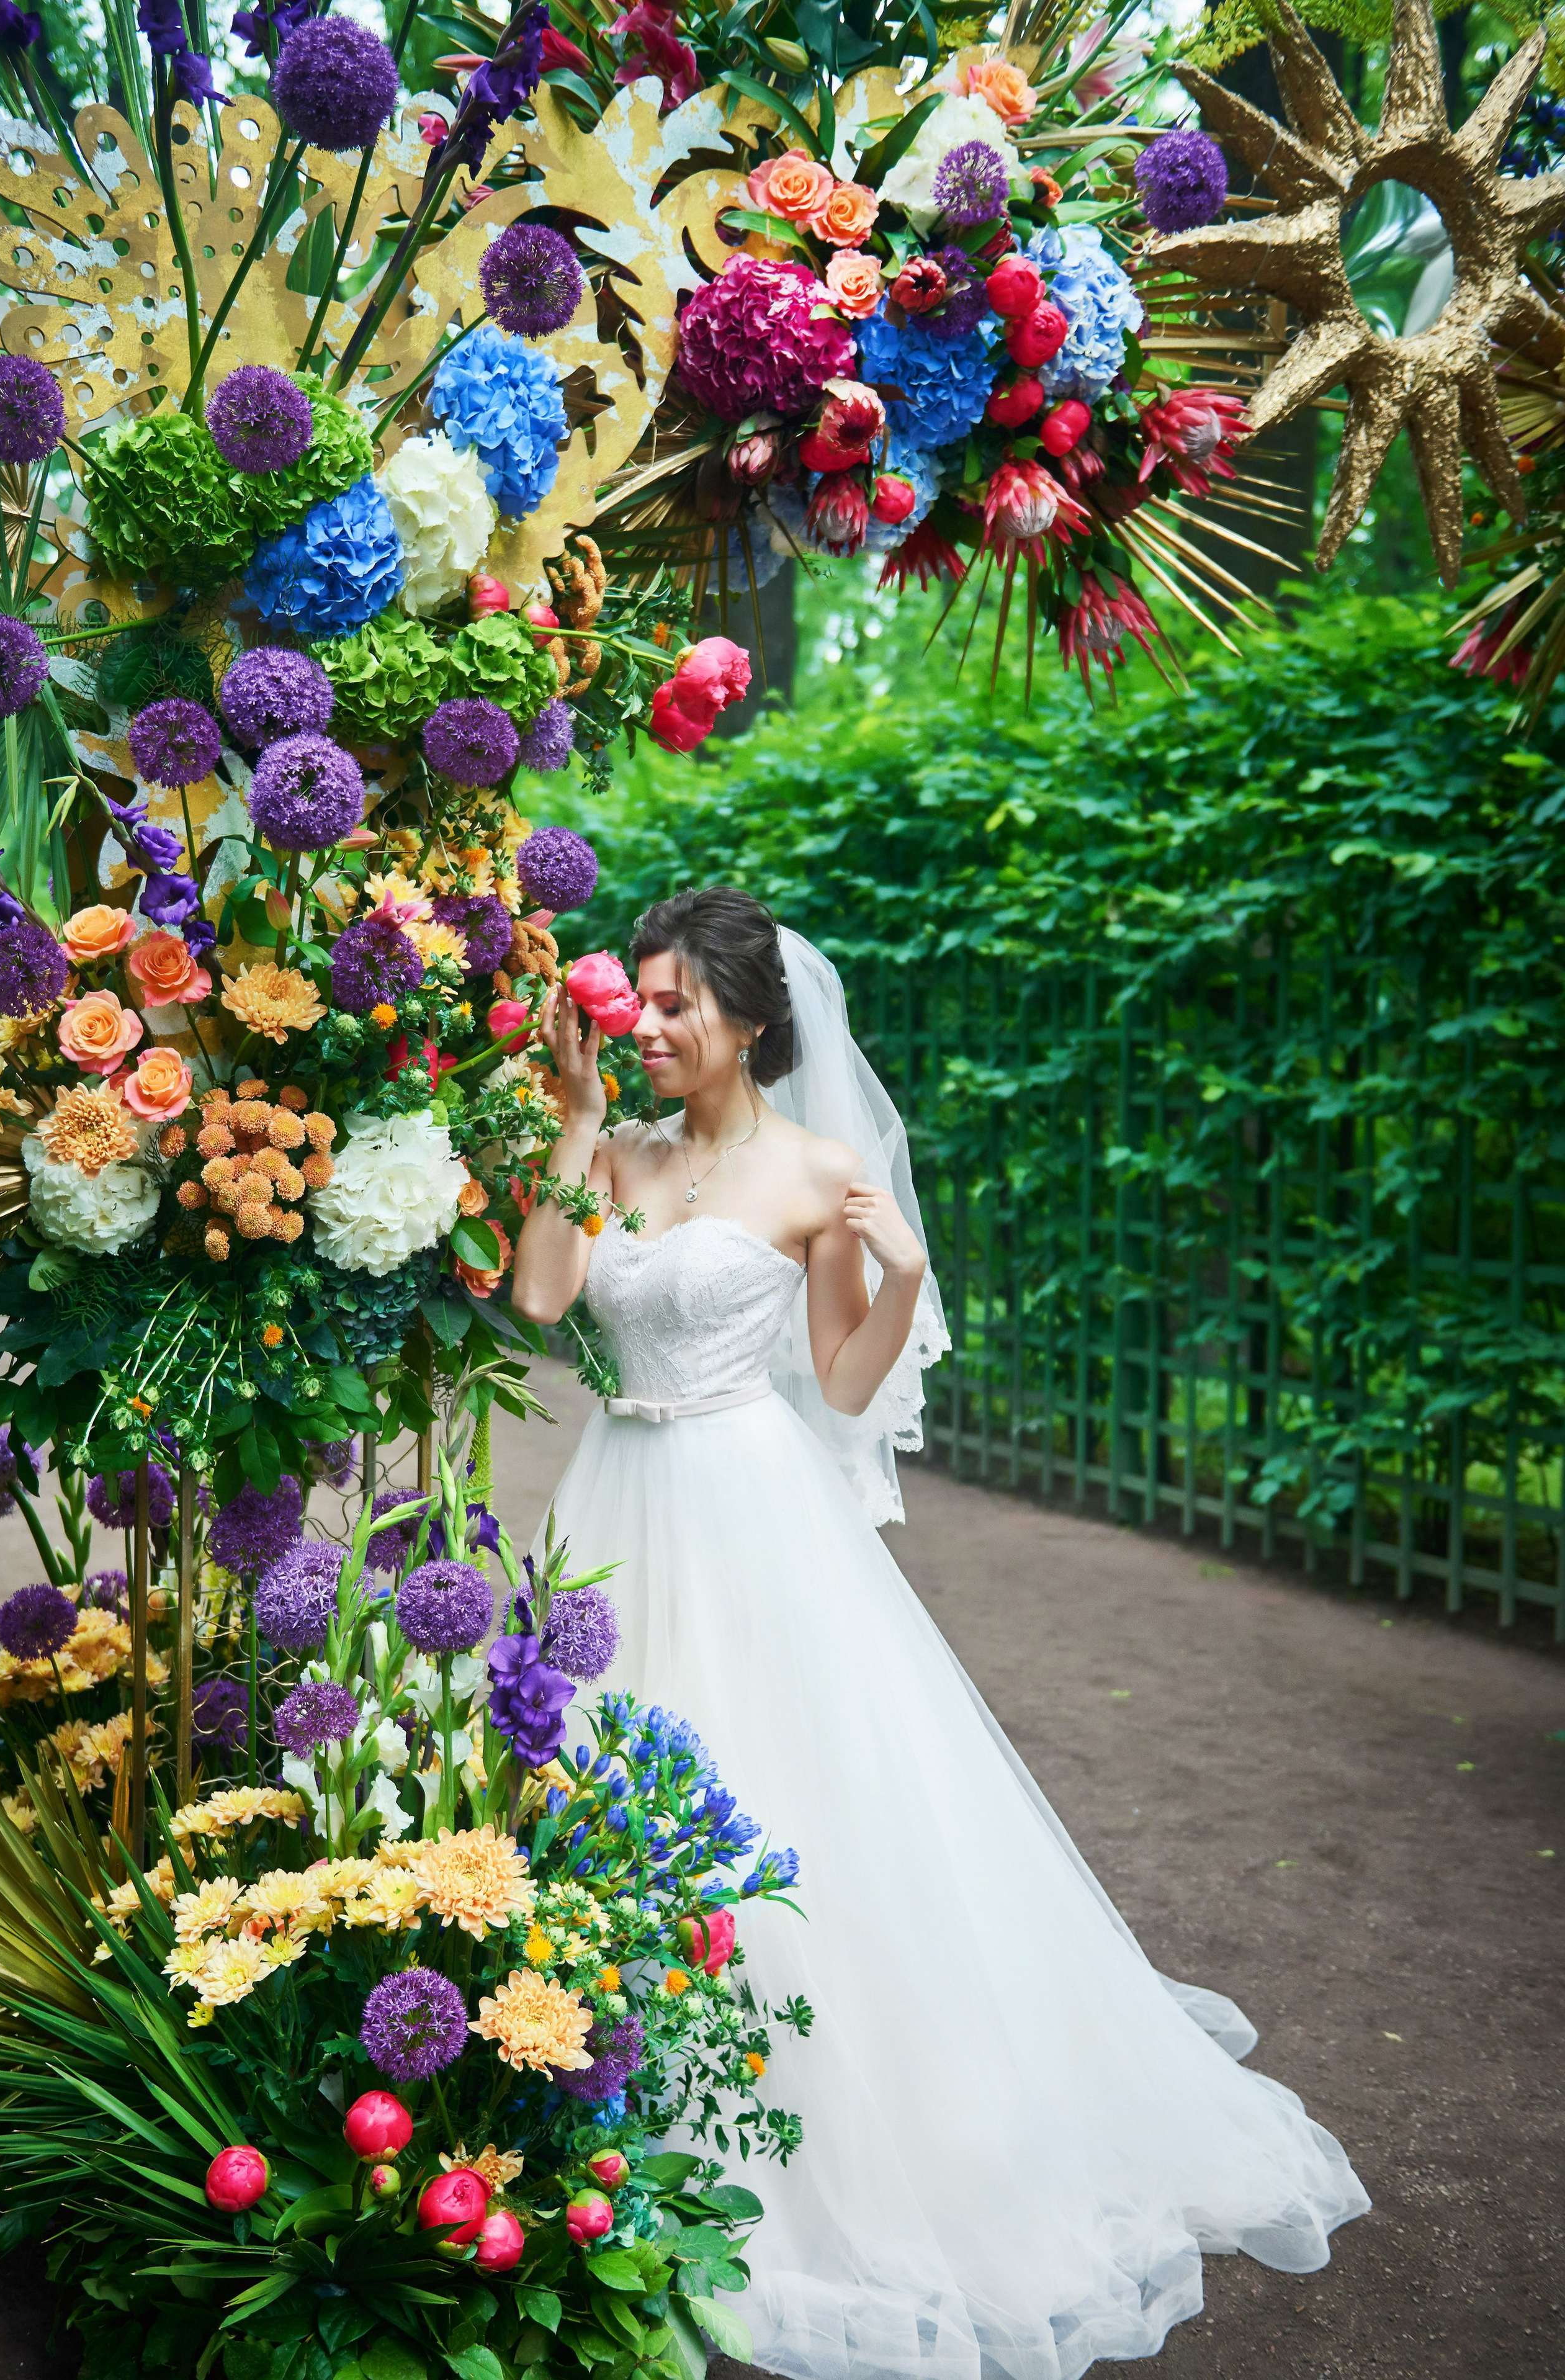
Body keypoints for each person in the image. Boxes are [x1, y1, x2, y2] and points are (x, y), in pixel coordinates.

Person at [512, 886, 1368, 2380]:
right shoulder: (621, 1152)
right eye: (632, 1003)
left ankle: (812, 2123)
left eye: (670, 1007)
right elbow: (539, 1303)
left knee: (786, 1809)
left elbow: (839, 1386)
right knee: (579, 1793)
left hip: (749, 1507)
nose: (642, 1029)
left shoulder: (812, 1170)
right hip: (611, 1502)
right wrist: (571, 1125)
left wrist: (901, 1273)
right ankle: (583, 2102)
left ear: (751, 1019)